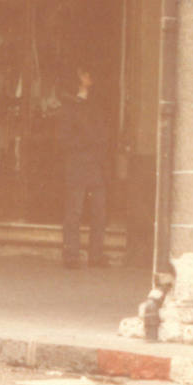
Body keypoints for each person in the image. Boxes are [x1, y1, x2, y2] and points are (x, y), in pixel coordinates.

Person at [58, 64, 110, 268]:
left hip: (94, 164)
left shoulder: (93, 105)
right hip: (78, 164)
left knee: (99, 211)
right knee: (75, 211)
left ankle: (95, 254)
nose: (89, 77)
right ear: (78, 78)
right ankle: (71, 255)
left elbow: (102, 131)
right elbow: (63, 140)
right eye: (84, 74)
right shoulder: (68, 108)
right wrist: (90, 142)